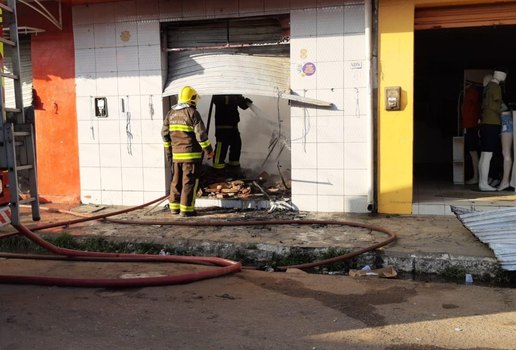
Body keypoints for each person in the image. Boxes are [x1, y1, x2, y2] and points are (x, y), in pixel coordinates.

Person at [162, 86, 214, 217]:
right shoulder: (192, 113)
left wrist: (169, 153)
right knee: (189, 182)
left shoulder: (171, 114)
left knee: (176, 182)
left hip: (176, 157)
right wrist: (209, 150)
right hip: (191, 157)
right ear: (193, 98)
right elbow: (201, 135)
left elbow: (164, 135)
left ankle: (174, 208)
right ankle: (186, 210)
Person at [478, 71, 507, 191]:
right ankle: (484, 183)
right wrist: (503, 110)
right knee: (488, 154)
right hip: (492, 123)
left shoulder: (487, 87)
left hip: (485, 122)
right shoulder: (496, 87)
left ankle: (482, 182)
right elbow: (495, 105)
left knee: (484, 155)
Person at [211, 94, 253, 172]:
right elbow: (219, 101)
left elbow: (242, 105)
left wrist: (247, 102)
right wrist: (234, 98)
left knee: (236, 145)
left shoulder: (235, 93)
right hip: (222, 127)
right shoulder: (219, 93)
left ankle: (234, 167)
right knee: (221, 147)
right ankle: (217, 169)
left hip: (234, 126)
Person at [462, 81, 482, 184]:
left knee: (473, 152)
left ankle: (476, 177)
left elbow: (476, 108)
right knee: (473, 152)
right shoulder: (471, 92)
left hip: (471, 126)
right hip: (471, 126)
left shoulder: (471, 92)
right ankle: (476, 177)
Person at [497, 107, 513, 191]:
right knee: (506, 153)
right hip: (506, 119)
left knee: (506, 153)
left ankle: (505, 181)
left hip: (505, 119)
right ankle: (506, 180)